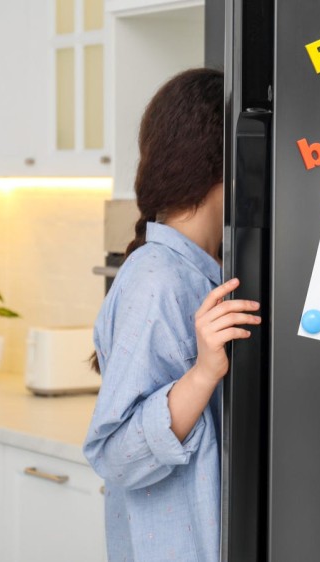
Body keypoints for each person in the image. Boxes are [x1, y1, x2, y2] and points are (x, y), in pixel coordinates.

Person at [83, 68, 260, 562]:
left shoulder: (215, 269)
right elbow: (115, 457)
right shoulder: (156, 277)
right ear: (221, 161)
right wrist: (204, 373)